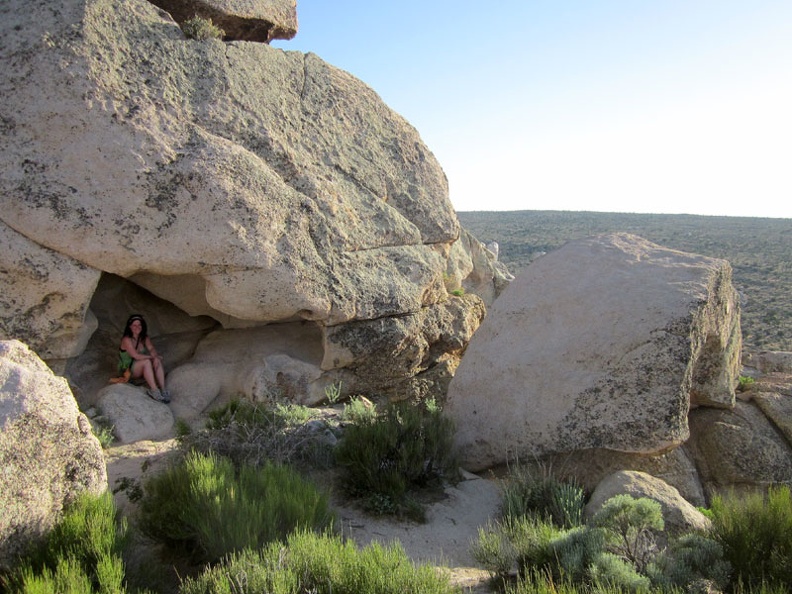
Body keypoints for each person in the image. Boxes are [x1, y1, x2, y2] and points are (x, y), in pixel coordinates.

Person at [118, 314, 170, 403]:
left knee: (156, 360)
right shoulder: (126, 339)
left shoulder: (144, 338)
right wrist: (152, 357)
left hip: (138, 367)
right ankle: (154, 390)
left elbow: (151, 348)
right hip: (127, 369)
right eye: (134, 325)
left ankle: (163, 389)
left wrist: (155, 357)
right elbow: (135, 356)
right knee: (147, 361)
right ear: (130, 326)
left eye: (139, 325)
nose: (137, 327)